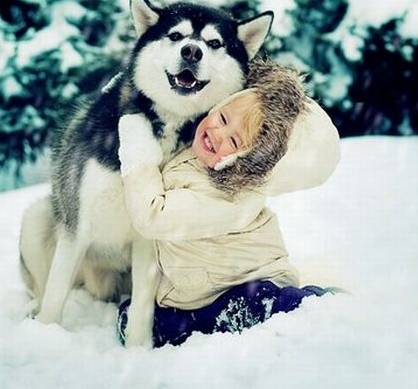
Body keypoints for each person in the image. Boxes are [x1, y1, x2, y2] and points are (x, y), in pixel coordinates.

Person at [116, 58, 341, 347]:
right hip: (195, 290)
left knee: (258, 301)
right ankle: (179, 323)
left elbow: (152, 215)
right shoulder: (198, 151)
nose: (217, 134)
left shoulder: (230, 198)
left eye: (234, 142)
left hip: (252, 279)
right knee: (177, 321)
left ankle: (312, 306)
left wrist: (139, 160)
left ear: (248, 164)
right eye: (222, 118)